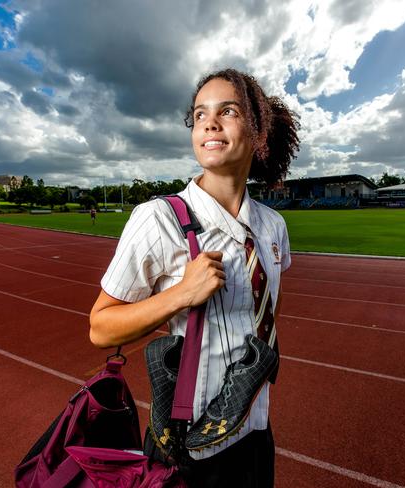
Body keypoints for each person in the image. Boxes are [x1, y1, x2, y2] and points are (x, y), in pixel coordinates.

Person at [89, 68, 300, 487]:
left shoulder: (273, 226)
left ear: (258, 129)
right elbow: (100, 327)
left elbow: (262, 311)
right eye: (200, 114)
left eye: (229, 111)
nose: (210, 122)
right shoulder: (158, 218)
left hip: (255, 430)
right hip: (186, 446)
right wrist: (180, 295)